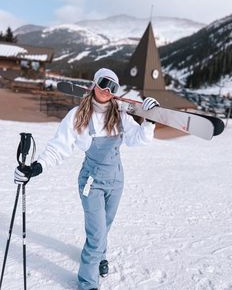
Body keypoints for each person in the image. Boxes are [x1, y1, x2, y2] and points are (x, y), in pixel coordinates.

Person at [14, 68, 159, 290]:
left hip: (117, 178)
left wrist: (149, 121)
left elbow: (137, 140)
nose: (107, 90)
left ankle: (100, 255)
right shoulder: (78, 115)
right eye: (103, 83)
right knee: (97, 232)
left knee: (105, 225)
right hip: (91, 181)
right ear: (94, 84)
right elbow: (58, 147)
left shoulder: (120, 114)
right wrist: (37, 167)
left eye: (113, 87)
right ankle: (87, 283)